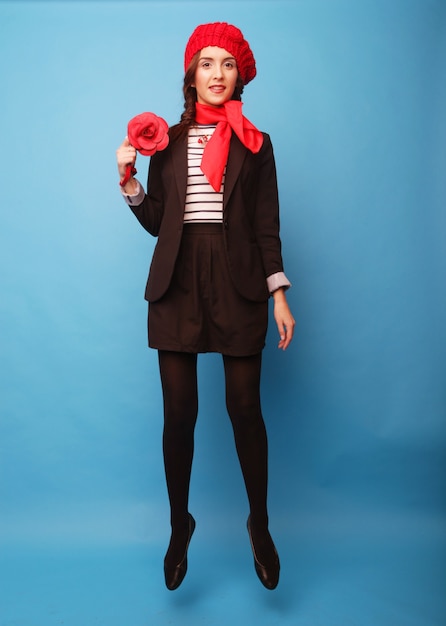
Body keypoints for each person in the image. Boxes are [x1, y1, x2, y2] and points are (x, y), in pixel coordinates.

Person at [116, 22, 295, 591]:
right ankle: (179, 525)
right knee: (179, 415)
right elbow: (159, 224)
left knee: (245, 411)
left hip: (238, 278)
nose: (217, 74)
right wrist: (130, 182)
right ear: (191, 74)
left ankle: (260, 525)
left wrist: (279, 293)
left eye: (227, 64)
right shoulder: (164, 142)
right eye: (206, 63)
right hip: (177, 280)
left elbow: (267, 225)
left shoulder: (257, 144)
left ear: (240, 74)